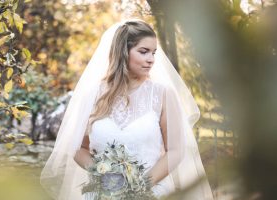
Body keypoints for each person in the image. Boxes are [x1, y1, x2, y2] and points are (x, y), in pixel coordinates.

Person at [40, 19, 214, 200]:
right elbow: (78, 148)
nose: (151, 59)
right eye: (144, 51)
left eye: (154, 53)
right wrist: (104, 176)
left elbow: (176, 150)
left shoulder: (162, 94)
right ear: (123, 52)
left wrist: (138, 187)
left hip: (149, 192)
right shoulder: (93, 94)